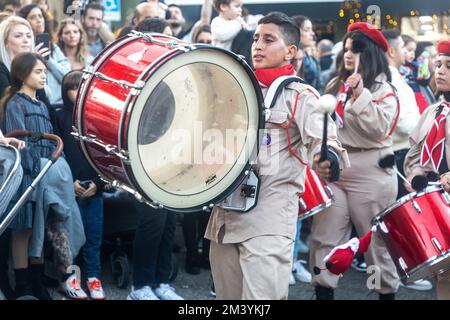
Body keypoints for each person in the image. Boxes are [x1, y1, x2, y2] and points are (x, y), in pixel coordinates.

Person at [205, 11, 348, 300]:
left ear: (290, 52)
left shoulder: (300, 95)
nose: (257, 45)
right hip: (223, 220)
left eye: (268, 40)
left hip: (267, 223)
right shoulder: (236, 89)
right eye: (256, 38)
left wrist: (328, 158)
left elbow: (328, 141)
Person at [310, 22, 400, 300]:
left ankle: (385, 292)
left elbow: (380, 129)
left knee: (377, 244)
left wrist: (361, 95)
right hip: (336, 170)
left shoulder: (385, 89)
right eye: (346, 48)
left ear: (370, 53)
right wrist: (319, 158)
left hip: (372, 172)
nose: (348, 54)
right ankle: (322, 292)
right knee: (324, 238)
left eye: (356, 49)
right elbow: (320, 128)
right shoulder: (335, 84)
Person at [1, 52, 86, 300]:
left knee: (41, 226)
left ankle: (37, 279)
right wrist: (34, 169)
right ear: (22, 74)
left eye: (43, 71)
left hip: (46, 172)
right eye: (37, 71)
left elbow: (50, 139)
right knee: (24, 229)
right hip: (27, 174)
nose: (43, 76)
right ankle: (24, 282)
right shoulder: (15, 103)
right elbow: (20, 140)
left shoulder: (41, 104)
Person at [49, 70, 106, 300]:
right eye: (73, 87)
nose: (78, 91)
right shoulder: (59, 115)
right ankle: (71, 278)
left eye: (82, 85)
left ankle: (93, 278)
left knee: (94, 237)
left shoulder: (97, 115)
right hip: (67, 187)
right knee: (68, 239)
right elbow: (56, 151)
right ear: (65, 91)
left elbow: (105, 155)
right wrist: (68, 182)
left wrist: (99, 184)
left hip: (94, 189)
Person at [403, 39, 450, 300]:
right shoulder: (434, 111)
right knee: (445, 277)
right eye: (438, 64)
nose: (440, 71)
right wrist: (416, 174)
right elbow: (414, 155)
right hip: (441, 209)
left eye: (449, 66)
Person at [400, 35, 436, 114]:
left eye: (413, 51)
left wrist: (424, 73)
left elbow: (423, 80)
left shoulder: (415, 67)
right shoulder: (398, 70)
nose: (436, 60)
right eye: (432, 56)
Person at [291, 15, 322, 93]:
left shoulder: (312, 59)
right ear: (296, 32)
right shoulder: (285, 56)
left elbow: (319, 87)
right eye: (307, 30)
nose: (312, 34)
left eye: (311, 30)